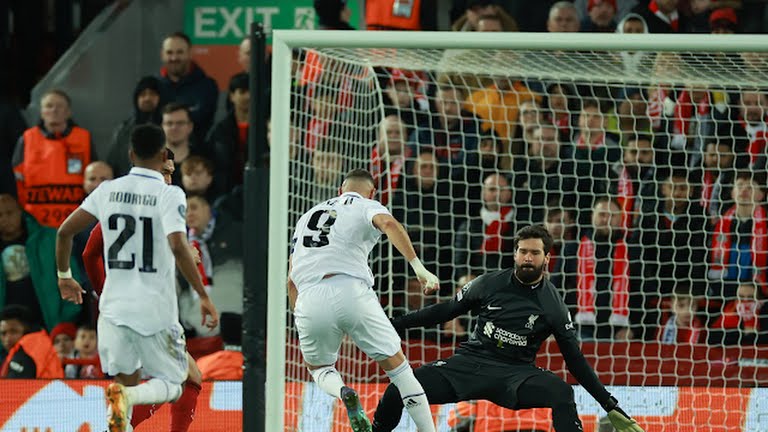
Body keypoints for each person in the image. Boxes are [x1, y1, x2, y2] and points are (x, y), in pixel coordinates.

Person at [372, 225, 645, 432]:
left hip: (515, 376)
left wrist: (609, 404)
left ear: (546, 258)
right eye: (523, 251)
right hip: (469, 365)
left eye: (534, 253)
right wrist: (393, 324)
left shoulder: (553, 306)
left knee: (562, 393)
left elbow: (575, 360)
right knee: (398, 390)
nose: (527, 258)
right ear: (515, 253)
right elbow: (444, 311)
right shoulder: (489, 283)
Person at [55, 124, 218, 432]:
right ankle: (128, 401)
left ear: (132, 154)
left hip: (115, 311)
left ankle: (120, 414)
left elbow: (69, 235)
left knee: (131, 392)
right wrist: (200, 288)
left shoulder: (110, 193)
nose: (167, 178)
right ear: (159, 157)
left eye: (172, 174)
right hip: (153, 311)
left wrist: (75, 281)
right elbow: (92, 252)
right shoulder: (166, 197)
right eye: (165, 170)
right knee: (182, 381)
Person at [288, 169, 439, 432]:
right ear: (372, 192)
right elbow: (389, 224)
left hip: (309, 297)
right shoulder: (366, 205)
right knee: (401, 372)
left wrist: (300, 314)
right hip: (351, 290)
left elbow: (291, 280)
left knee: (320, 368)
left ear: (340, 190)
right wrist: (419, 268)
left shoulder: (306, 218)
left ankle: (344, 391)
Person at [0, 304, 64, 378]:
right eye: (3, 333)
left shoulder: (26, 351)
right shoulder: (40, 340)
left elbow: (14, 384)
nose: (8, 338)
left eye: (14, 331)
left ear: (26, 329)